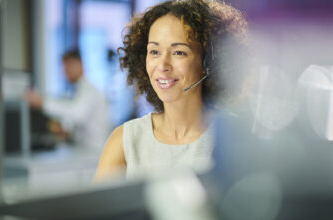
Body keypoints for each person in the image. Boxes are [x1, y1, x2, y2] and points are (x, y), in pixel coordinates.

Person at [94, 0, 247, 180]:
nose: (163, 65)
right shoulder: (124, 141)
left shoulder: (236, 139)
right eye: (154, 52)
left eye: (179, 52)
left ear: (208, 62)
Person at [26, 49, 112, 153]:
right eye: (64, 68)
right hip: (88, 152)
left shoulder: (90, 91)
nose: (65, 72)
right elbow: (79, 119)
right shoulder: (80, 90)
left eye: (68, 66)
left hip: (95, 153)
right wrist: (66, 130)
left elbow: (77, 114)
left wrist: (43, 103)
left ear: (80, 64)